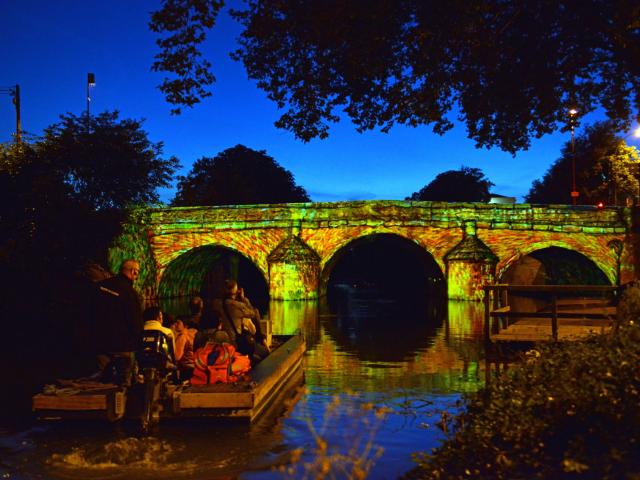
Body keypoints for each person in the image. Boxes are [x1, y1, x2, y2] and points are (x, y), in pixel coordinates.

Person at [94, 259, 144, 386]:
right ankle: (122, 403)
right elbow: (135, 323)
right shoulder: (130, 294)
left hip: (100, 343)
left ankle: (104, 402)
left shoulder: (101, 286)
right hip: (123, 346)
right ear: (133, 272)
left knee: (102, 383)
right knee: (123, 385)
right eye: (137, 273)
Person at [221, 279, 269, 363]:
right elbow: (252, 313)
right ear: (236, 292)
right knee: (264, 353)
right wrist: (243, 299)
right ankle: (261, 340)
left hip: (224, 342)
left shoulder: (218, 303)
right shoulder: (236, 305)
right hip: (237, 343)